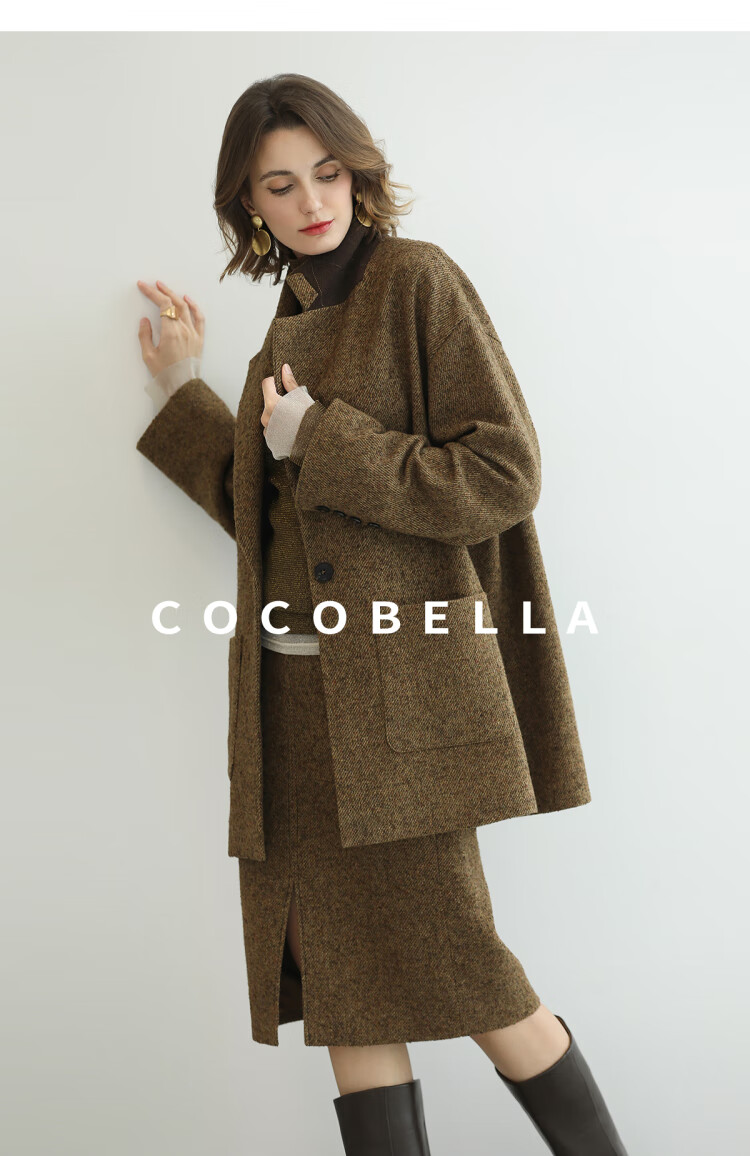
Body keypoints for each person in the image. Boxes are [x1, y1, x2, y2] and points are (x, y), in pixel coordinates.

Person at [135, 72, 629, 1156]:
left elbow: (503, 473)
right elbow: (268, 519)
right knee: (343, 992)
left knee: (472, 972)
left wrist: (319, 437)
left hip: (396, 711)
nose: (311, 201)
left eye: (327, 172)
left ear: (359, 172)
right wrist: (186, 392)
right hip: (292, 714)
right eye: (280, 185)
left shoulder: (417, 283)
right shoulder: (286, 325)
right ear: (249, 204)